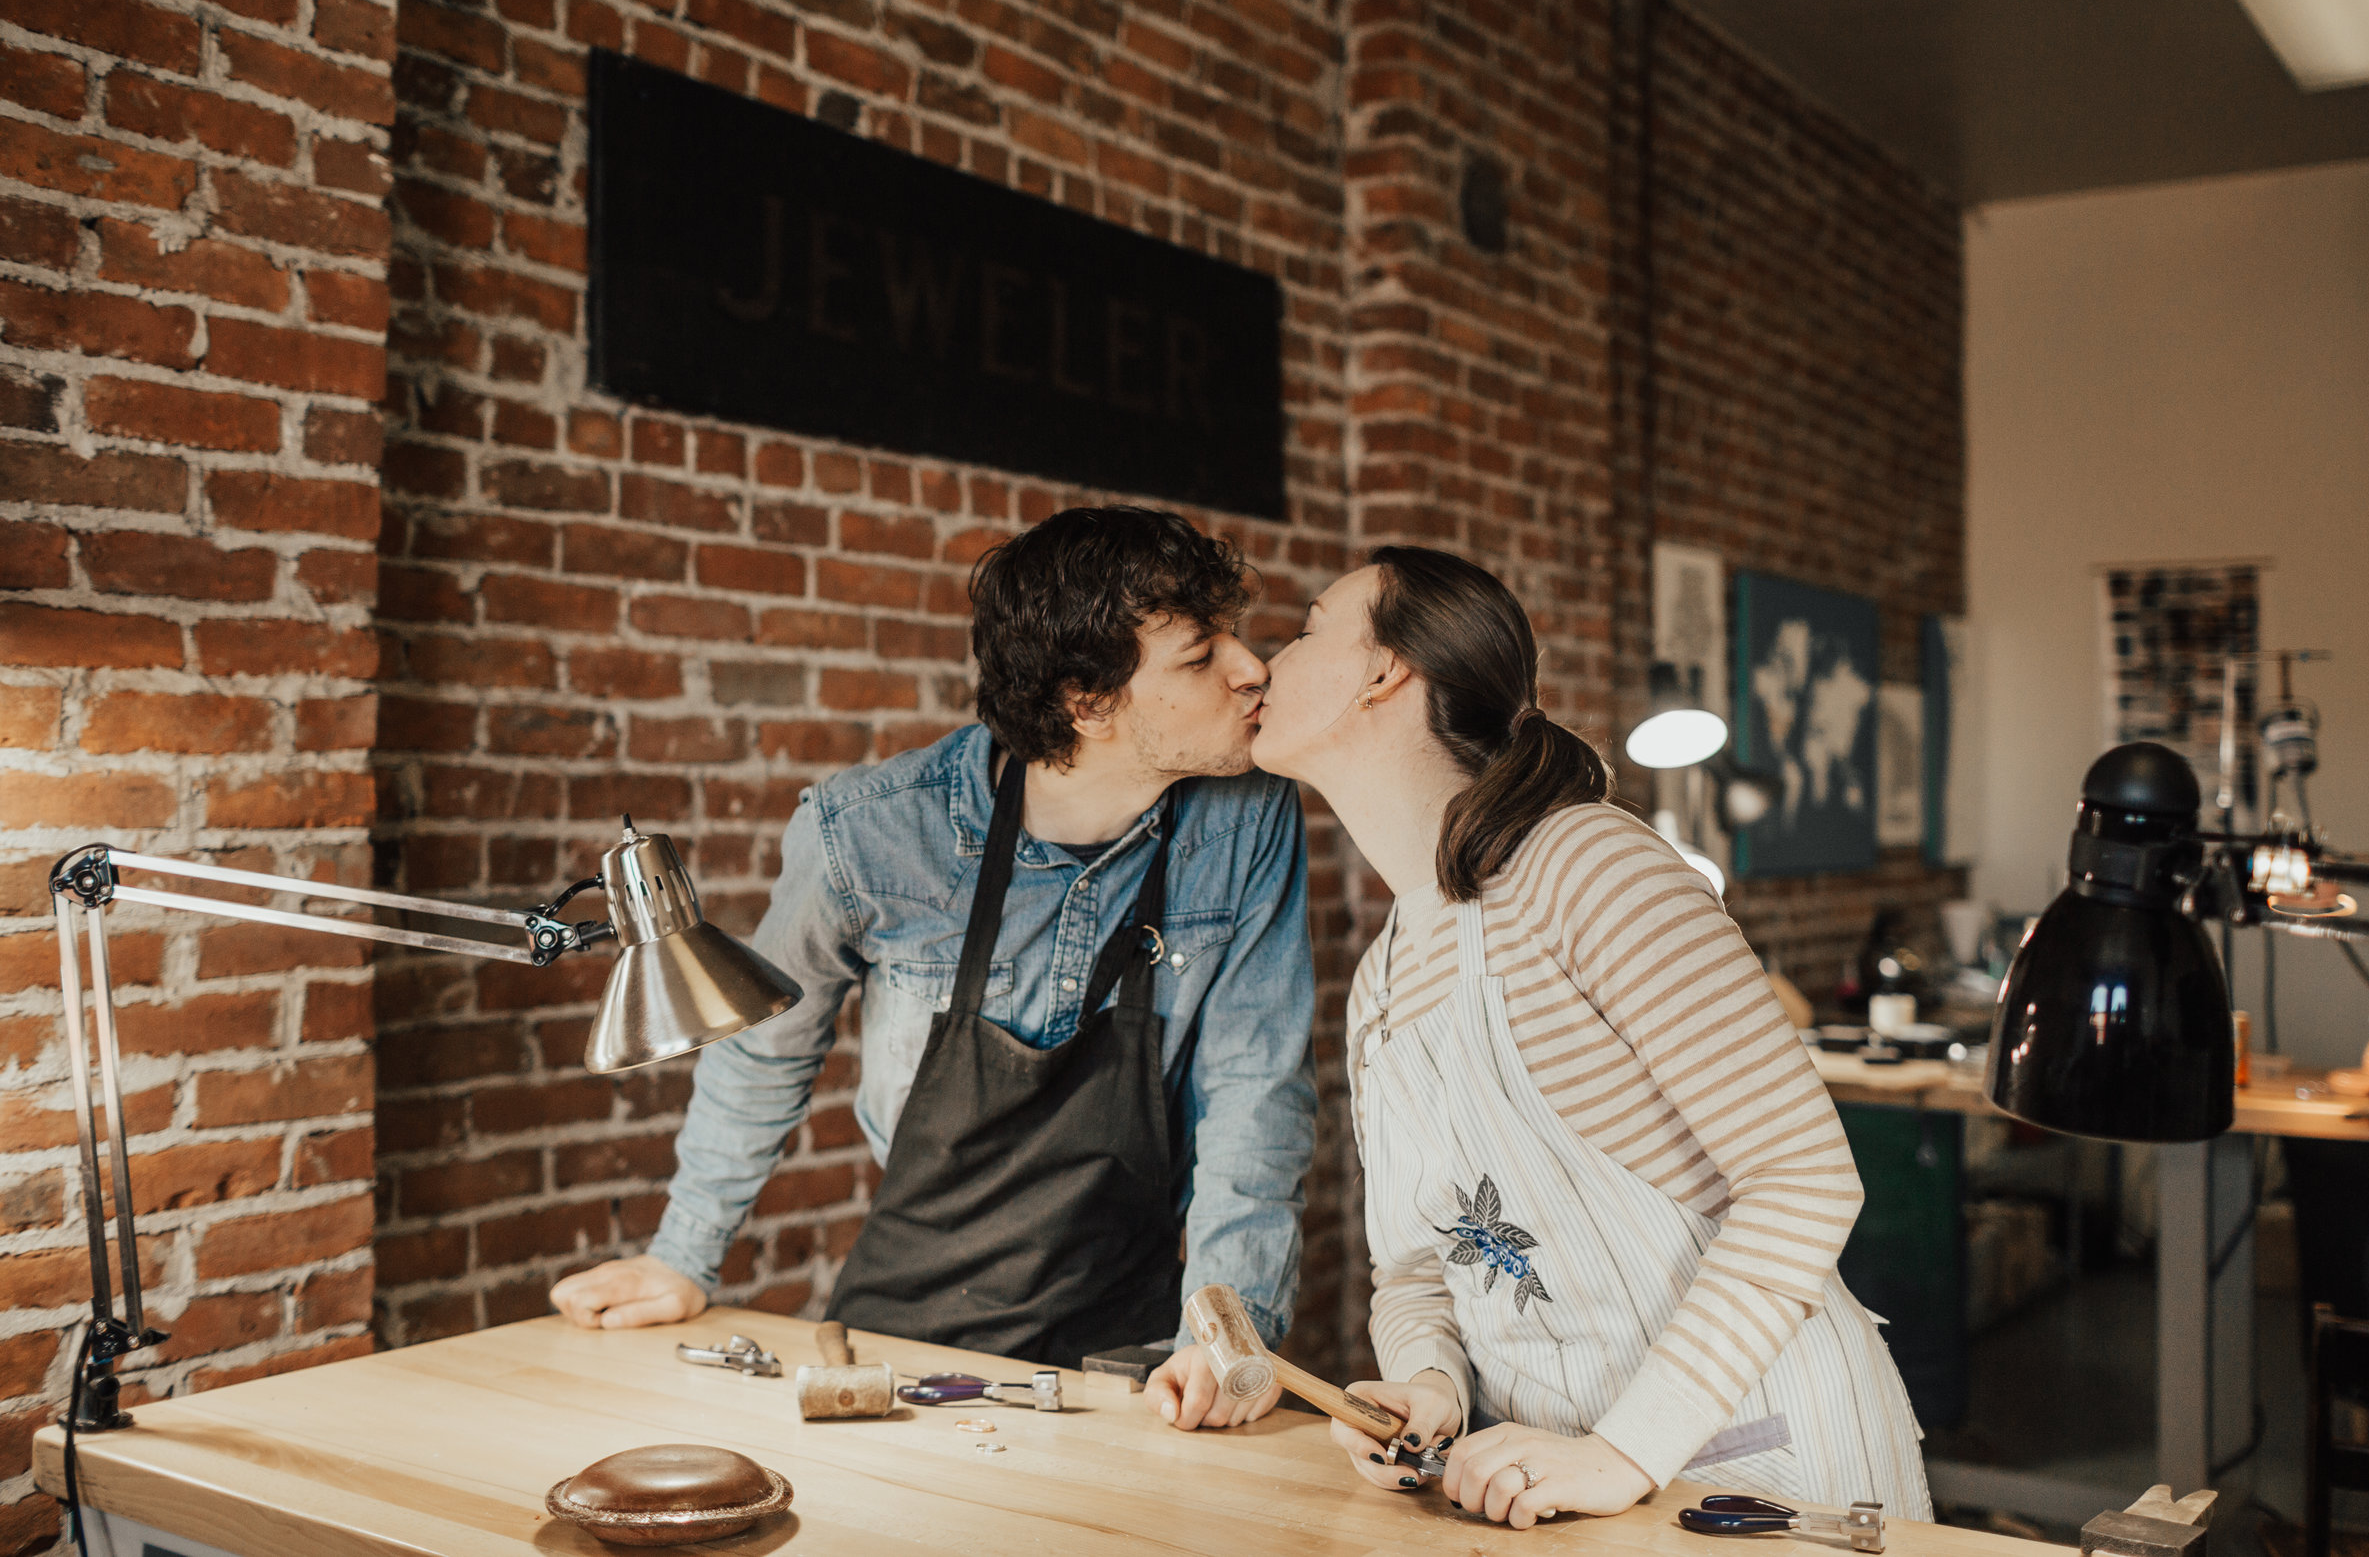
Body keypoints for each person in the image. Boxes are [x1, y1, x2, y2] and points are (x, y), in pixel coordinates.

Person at [550, 506, 1316, 1430]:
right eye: (1201, 656)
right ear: (1087, 699)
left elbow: (1255, 1091)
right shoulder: (870, 832)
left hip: (1135, 1350)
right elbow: (765, 1052)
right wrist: (683, 1257)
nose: (1251, 668)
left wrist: (1231, 1337)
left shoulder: (1246, 820)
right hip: (902, 1347)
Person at [1248, 546, 1930, 1528]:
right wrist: (1427, 1388)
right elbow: (1412, 1268)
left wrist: (1622, 1450)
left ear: (1385, 671)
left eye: (1309, 626)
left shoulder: (1588, 863)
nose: (1270, 660)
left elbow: (1805, 1176)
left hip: (1755, 1464)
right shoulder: (1384, 978)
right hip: (1554, 1487)